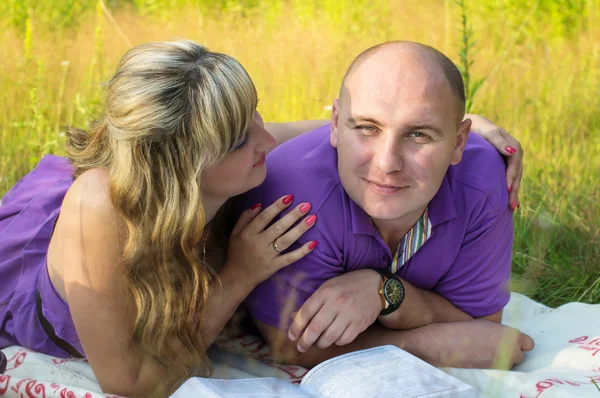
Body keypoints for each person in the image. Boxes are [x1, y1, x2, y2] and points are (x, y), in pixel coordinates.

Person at [0, 40, 523, 397]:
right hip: (54, 283)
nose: (269, 141)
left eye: (254, 115)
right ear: (183, 163)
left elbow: (343, 124)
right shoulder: (103, 212)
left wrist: (469, 135)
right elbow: (131, 379)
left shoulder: (233, 159)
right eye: (241, 138)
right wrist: (238, 276)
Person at [238, 41, 534, 370]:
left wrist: (386, 292)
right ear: (335, 124)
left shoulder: (483, 182)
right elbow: (292, 344)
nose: (387, 162)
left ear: (459, 142)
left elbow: (481, 326)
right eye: (367, 128)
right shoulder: (292, 197)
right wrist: (422, 344)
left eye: (418, 134)